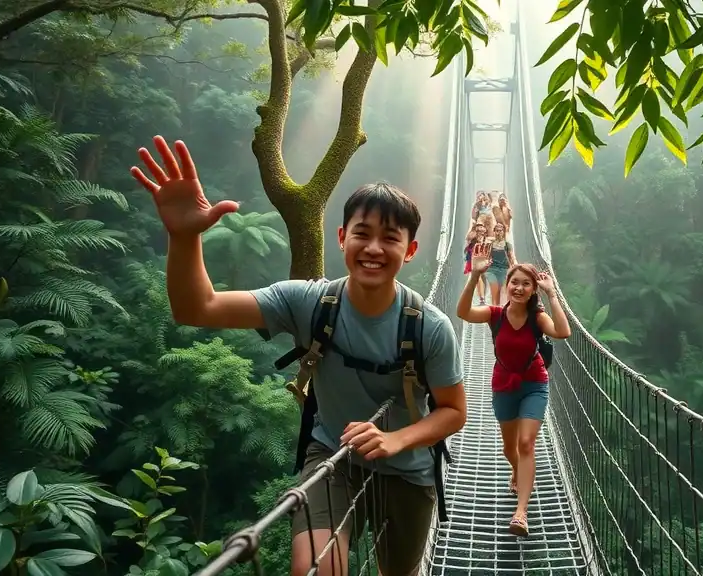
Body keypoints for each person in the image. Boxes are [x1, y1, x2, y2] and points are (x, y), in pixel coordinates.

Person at [129, 136, 467, 576]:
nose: (373, 248)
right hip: (332, 456)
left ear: (411, 250)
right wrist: (184, 236)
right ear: (342, 238)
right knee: (316, 568)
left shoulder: (429, 327)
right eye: (362, 233)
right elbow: (197, 308)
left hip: (407, 468)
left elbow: (453, 412)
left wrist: (395, 440)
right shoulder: (308, 303)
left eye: (390, 238)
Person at [455, 252, 571, 536]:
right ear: (507, 285)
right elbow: (463, 313)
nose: (519, 288)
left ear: (533, 290)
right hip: (503, 385)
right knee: (510, 449)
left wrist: (552, 294)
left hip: (534, 383)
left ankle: (521, 513)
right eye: (514, 282)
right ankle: (518, 471)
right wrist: (475, 275)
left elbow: (563, 331)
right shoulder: (494, 315)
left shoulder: (537, 318)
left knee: (526, 443)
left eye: (526, 284)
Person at [484, 222, 516, 306]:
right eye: (497, 231)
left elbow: (511, 256)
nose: (498, 233)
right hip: (491, 269)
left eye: (500, 231)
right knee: (494, 289)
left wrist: (515, 265)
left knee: (500, 291)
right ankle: (494, 308)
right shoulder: (490, 244)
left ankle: (498, 307)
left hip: (503, 269)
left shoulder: (507, 245)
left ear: (503, 232)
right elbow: (487, 256)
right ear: (494, 232)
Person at [463, 221, 488, 305]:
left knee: (480, 278)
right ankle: (481, 298)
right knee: (477, 278)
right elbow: (468, 238)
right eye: (479, 227)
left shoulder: (485, 238)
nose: (481, 228)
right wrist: (472, 228)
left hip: (481, 258)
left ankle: (482, 298)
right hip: (473, 258)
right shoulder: (473, 236)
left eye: (482, 227)